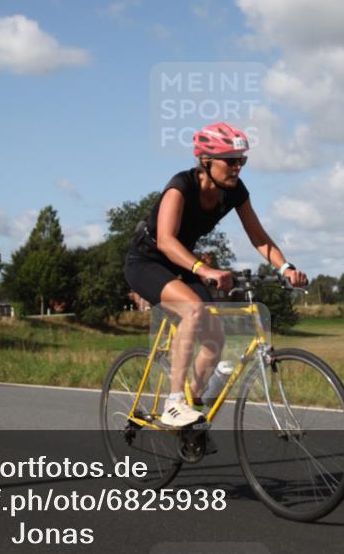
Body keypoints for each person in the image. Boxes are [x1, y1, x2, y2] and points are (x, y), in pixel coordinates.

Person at [124, 122, 308, 427]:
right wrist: (204, 269)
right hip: (147, 261)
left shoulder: (233, 191)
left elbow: (259, 237)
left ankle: (192, 411)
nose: (238, 167)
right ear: (207, 161)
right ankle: (173, 404)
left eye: (242, 160)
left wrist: (285, 268)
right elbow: (166, 241)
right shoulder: (181, 186)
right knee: (193, 309)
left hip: (182, 264)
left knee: (216, 337)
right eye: (231, 160)